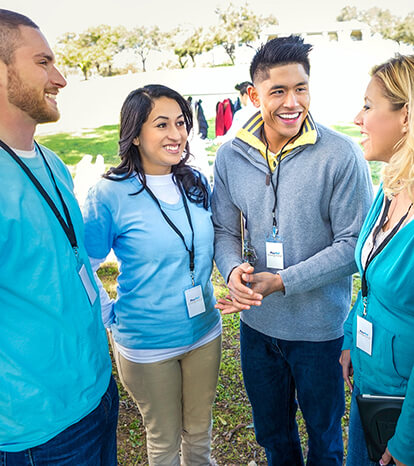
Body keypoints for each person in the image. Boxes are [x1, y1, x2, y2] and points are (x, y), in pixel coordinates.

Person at [211, 35, 373, 465]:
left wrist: (283, 280)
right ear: (252, 94)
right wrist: (231, 272)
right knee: (273, 438)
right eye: (278, 91)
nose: (292, 102)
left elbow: (353, 244)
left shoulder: (342, 155)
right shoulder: (230, 156)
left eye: (300, 88)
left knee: (325, 441)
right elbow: (224, 230)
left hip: (320, 332)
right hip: (257, 330)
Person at [0, 9, 118, 465]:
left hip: (96, 394)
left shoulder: (50, 161)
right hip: (37, 431)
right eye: (43, 62)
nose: (61, 78)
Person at [82, 84, 222, 466]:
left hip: (205, 332)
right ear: (135, 134)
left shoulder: (196, 182)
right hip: (147, 345)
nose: (176, 135)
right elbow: (84, 267)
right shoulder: (108, 194)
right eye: (162, 125)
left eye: (181, 122)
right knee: (163, 442)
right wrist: (109, 316)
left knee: (199, 434)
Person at [340, 54, 414, 466]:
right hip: (370, 389)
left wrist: (407, 444)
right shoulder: (388, 188)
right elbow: (368, 279)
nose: (357, 117)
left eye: (368, 106)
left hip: (404, 416)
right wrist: (353, 337)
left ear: (406, 115)